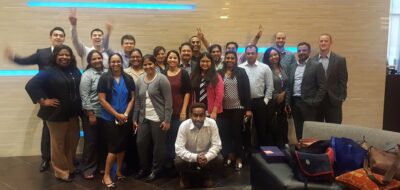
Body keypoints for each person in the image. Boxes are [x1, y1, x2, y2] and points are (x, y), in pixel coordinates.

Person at [4, 26, 65, 172]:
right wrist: (13, 58)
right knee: (47, 128)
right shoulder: (42, 53)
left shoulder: (65, 52)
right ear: (51, 37)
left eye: (61, 35)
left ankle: (64, 157)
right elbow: (25, 61)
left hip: (63, 96)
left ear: (64, 38)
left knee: (64, 128)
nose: (58, 37)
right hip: (47, 97)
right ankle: (46, 158)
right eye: (55, 35)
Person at [25, 45, 82, 182]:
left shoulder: (74, 70)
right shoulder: (48, 71)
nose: (64, 57)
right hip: (56, 114)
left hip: (73, 113)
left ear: (71, 57)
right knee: (58, 144)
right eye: (61, 55)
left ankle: (70, 167)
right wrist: (43, 100)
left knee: (72, 142)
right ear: (55, 56)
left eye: (67, 55)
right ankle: (61, 171)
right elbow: (30, 85)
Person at [97, 53, 136, 188]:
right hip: (109, 118)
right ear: (109, 63)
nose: (115, 64)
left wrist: (125, 114)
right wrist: (116, 114)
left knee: (122, 146)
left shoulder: (128, 78)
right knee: (113, 147)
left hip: (125, 117)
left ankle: (119, 171)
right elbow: (102, 100)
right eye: (113, 62)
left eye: (118, 61)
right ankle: (106, 175)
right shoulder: (104, 78)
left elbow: (132, 98)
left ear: (121, 63)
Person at [133, 54, 172, 182]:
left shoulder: (162, 79)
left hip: (159, 119)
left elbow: (168, 101)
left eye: (150, 64)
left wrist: (167, 120)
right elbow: (138, 101)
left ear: (155, 64)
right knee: (141, 143)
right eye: (145, 64)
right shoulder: (139, 80)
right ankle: (144, 168)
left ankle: (156, 170)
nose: (148, 66)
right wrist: (135, 118)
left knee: (158, 147)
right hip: (144, 118)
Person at [175, 102, 223, 188]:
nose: (198, 118)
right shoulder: (184, 125)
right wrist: (195, 157)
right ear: (190, 115)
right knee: (178, 161)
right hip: (189, 155)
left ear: (205, 115)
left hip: (205, 154)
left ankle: (207, 176)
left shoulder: (212, 124)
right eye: (195, 115)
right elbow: (179, 148)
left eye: (201, 115)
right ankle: (185, 176)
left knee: (219, 159)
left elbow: (217, 145)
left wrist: (207, 157)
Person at [218, 51, 252, 171]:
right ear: (224, 59)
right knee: (226, 134)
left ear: (235, 59)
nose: (230, 60)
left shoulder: (241, 72)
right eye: (228, 58)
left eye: (232, 58)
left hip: (238, 107)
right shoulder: (220, 72)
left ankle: (239, 157)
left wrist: (248, 109)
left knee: (237, 133)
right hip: (223, 109)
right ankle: (230, 155)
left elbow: (247, 90)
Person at [286, 42, 326, 140]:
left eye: (304, 50)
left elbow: (322, 86)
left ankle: (310, 152)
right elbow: (289, 86)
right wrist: (287, 103)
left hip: (309, 104)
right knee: (298, 129)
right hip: (294, 103)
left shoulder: (316, 65)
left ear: (309, 51)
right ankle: (301, 150)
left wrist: (315, 102)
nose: (301, 52)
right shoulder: (292, 67)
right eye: (299, 51)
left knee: (310, 130)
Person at [239, 45, 274, 147]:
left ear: (257, 54)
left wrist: (265, 101)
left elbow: (270, 86)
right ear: (245, 54)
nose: (250, 55)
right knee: (245, 128)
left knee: (261, 127)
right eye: (248, 53)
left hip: (260, 101)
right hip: (244, 102)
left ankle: (261, 151)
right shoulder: (240, 67)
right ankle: (247, 151)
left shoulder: (265, 67)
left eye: (252, 53)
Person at [79, 50, 106, 179]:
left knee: (102, 141)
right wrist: (90, 114)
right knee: (91, 141)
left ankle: (101, 165)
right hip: (92, 113)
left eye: (98, 58)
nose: (97, 61)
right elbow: (84, 96)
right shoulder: (87, 75)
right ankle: (88, 167)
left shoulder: (107, 72)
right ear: (89, 62)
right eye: (94, 59)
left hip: (105, 113)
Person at [163, 50, 191, 170]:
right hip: (166, 112)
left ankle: (178, 162)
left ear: (178, 60)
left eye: (175, 58)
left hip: (179, 110)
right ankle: (169, 162)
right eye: (170, 57)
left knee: (177, 137)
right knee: (167, 138)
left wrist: (184, 110)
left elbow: (187, 93)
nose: (172, 60)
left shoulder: (183, 73)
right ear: (167, 59)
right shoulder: (163, 74)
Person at [312, 33, 348, 124]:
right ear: (318, 43)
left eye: (326, 41)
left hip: (333, 101)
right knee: (317, 129)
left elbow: (343, 80)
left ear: (330, 43)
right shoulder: (312, 60)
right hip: (317, 102)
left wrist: (341, 97)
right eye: (321, 41)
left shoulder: (340, 60)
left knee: (334, 129)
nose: (323, 43)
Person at [262, 47, 289, 147]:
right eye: (271, 56)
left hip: (283, 102)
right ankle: (273, 148)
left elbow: (287, 84)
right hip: (270, 102)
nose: (274, 57)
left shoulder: (283, 67)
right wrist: (276, 96)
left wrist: (284, 96)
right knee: (272, 125)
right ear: (267, 58)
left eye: (275, 54)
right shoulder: (265, 69)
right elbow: (264, 86)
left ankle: (283, 145)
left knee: (282, 124)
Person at [190, 52, 224, 120]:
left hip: (211, 112)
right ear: (199, 62)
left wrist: (214, 111)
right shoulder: (193, 76)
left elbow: (220, 95)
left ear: (211, 62)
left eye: (207, 61)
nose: (205, 63)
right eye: (202, 61)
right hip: (196, 111)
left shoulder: (216, 76)